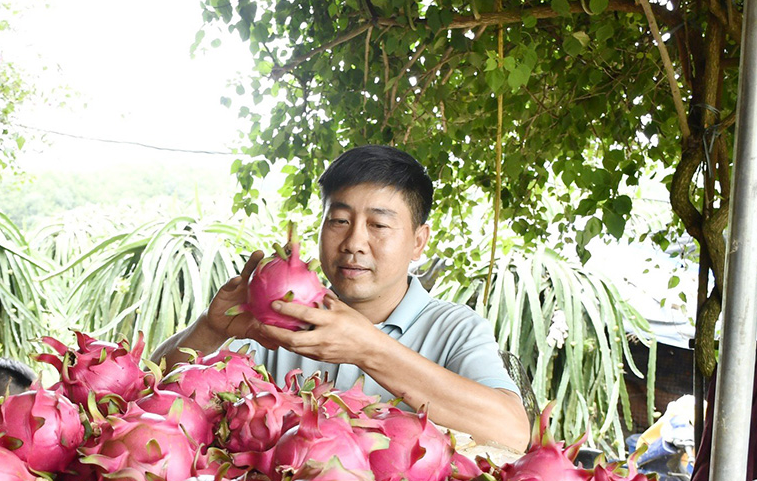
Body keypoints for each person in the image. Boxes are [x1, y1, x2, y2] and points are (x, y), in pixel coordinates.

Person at [153, 145, 531, 450]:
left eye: (379, 225)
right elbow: (151, 395)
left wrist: (370, 348)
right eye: (339, 221)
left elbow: (512, 431)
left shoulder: (454, 329)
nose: (353, 243)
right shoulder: (280, 321)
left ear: (418, 241)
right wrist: (211, 328)